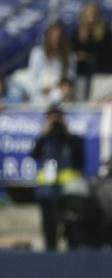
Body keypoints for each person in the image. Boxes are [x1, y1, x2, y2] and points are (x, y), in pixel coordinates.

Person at [30, 105, 86, 250]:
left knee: (72, 227)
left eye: (58, 118)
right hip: (47, 191)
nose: (55, 122)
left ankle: (73, 258)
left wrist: (67, 132)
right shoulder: (44, 140)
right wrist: (44, 133)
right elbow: (34, 155)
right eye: (51, 118)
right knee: (49, 227)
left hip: (69, 191)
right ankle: (50, 257)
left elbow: (80, 159)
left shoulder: (74, 140)